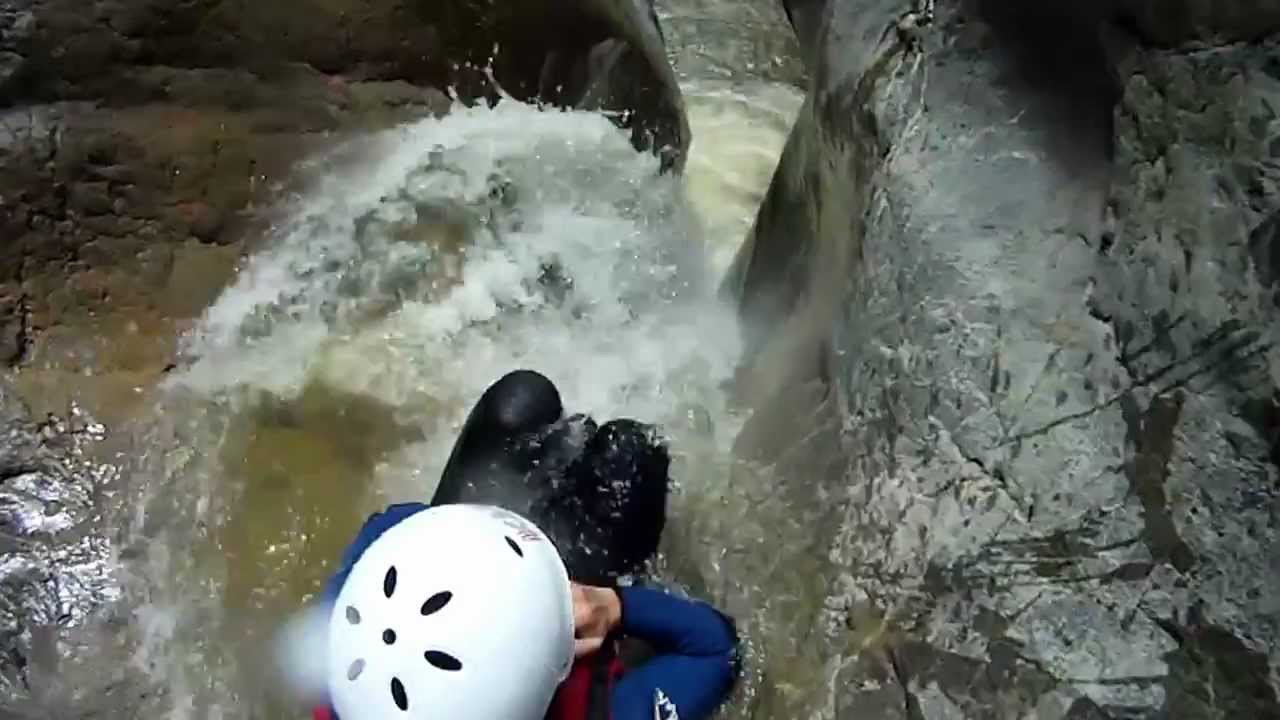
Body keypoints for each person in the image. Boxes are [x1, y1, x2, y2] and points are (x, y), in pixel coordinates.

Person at [308, 370, 739, 720]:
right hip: (581, 592)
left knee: (521, 401)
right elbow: (716, 647)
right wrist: (615, 607)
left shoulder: (344, 655)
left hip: (483, 557)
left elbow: (386, 526)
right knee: (629, 453)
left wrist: (438, 537)